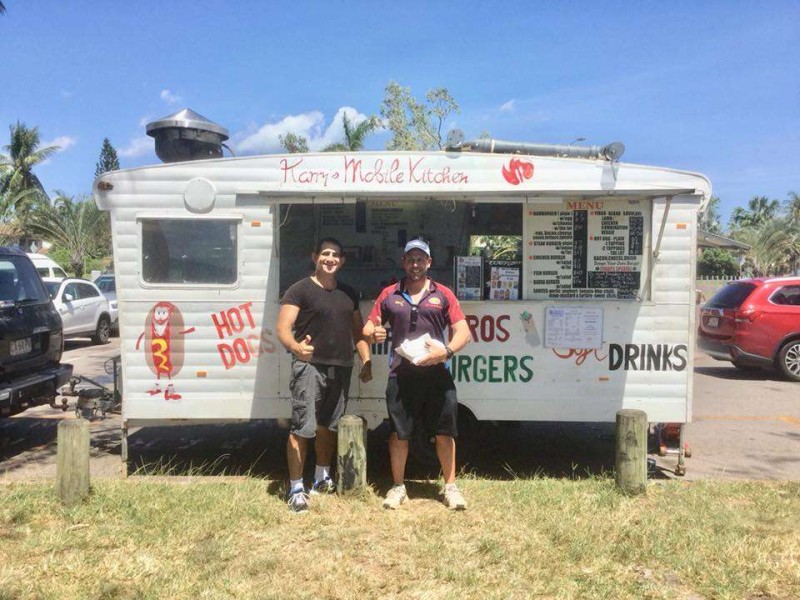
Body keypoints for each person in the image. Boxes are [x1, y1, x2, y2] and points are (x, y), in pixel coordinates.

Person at [363, 239, 471, 510]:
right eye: (410, 258)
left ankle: (450, 487)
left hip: (437, 375)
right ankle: (398, 487)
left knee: (445, 432)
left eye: (420, 259)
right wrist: (372, 332)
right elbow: (368, 326)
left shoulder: (443, 293)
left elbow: (463, 331)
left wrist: (445, 352)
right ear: (403, 262)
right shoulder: (390, 294)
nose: (415, 264)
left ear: (429, 263)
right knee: (400, 434)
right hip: (401, 375)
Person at [277, 237, 372, 513]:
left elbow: (358, 332)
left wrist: (366, 360)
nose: (330, 259)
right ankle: (296, 488)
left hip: (341, 367)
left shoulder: (348, 293)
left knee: (328, 426)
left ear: (342, 261)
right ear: (315, 256)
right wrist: (296, 348)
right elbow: (283, 327)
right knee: (302, 427)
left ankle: (321, 477)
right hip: (310, 367)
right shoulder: (299, 290)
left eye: (335, 255)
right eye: (325, 254)